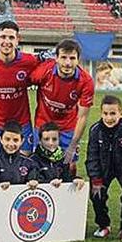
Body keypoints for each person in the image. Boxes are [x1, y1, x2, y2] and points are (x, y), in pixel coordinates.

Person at [30, 39, 95, 171]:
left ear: (78, 60)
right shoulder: (44, 71)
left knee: (69, 164)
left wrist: (73, 144)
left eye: (72, 58)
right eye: (63, 57)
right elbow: (25, 79)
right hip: (43, 124)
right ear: (56, 58)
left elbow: (82, 117)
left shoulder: (86, 81)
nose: (67, 63)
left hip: (68, 126)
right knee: (37, 165)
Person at [86, 96, 122, 242]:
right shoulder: (95, 130)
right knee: (96, 193)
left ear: (121, 113)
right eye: (105, 113)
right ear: (101, 113)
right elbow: (92, 157)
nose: (109, 117)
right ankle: (104, 225)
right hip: (105, 167)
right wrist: (96, 179)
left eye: (113, 114)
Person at [0, 21, 40, 156]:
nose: (7, 41)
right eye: (3, 37)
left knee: (24, 163)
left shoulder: (30, 61)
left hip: (21, 123)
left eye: (11, 38)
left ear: (18, 40)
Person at [0, 121, 42, 190]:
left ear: (22, 141)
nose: (11, 144)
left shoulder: (29, 163)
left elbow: (35, 182)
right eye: (7, 139)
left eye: (15, 140)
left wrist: (33, 182)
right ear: (1, 139)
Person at [31, 122, 85, 190]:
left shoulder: (63, 158)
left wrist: (76, 179)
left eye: (54, 139)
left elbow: (67, 178)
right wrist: (50, 183)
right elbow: (33, 180)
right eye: (46, 139)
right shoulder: (33, 159)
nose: (51, 143)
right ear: (40, 141)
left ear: (59, 140)